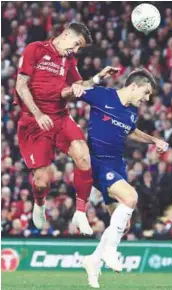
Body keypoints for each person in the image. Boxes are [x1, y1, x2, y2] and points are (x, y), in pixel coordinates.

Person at [62, 68, 169, 288]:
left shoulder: (131, 112)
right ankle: (111, 251)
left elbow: (131, 131)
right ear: (134, 86)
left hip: (117, 164)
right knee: (130, 198)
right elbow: (73, 93)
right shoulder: (103, 95)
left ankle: (93, 260)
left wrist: (154, 140)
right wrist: (77, 87)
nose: (147, 98)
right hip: (98, 161)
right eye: (146, 93)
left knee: (123, 223)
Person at [15, 21, 120, 235]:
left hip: (60, 117)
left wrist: (99, 77)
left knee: (83, 156)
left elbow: (79, 87)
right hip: (33, 121)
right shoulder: (35, 49)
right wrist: (38, 114)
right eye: (77, 44)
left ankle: (80, 212)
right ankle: (40, 201)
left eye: (80, 48)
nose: (77, 50)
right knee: (42, 182)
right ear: (65, 34)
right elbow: (20, 85)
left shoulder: (69, 60)